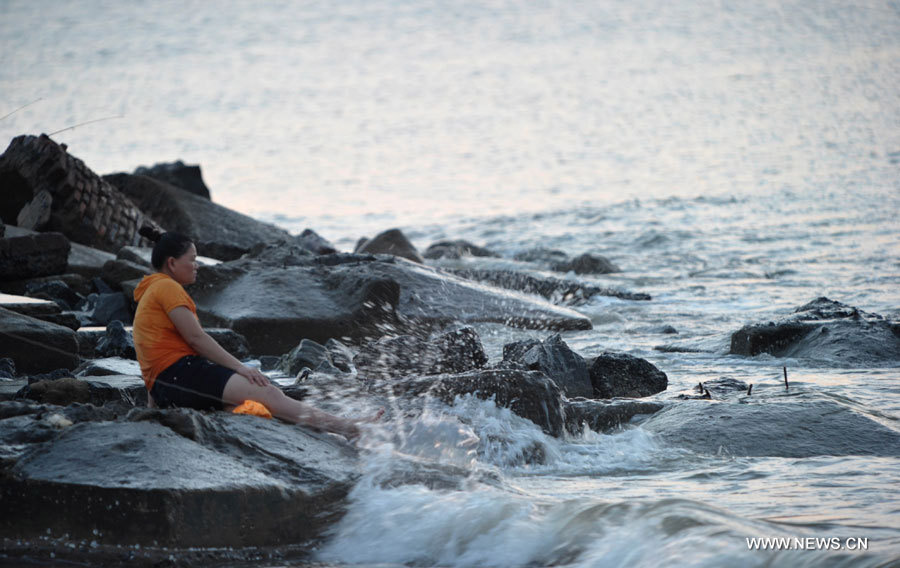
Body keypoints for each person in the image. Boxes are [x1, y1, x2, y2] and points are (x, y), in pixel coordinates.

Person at [132, 226, 377, 440]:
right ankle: (350, 429)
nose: (197, 265)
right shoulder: (167, 288)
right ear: (172, 263)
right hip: (180, 377)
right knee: (268, 392)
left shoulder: (152, 289)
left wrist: (153, 402)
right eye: (192, 259)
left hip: (173, 381)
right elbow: (196, 338)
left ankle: (343, 427)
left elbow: (151, 350)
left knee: (256, 403)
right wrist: (241, 367)